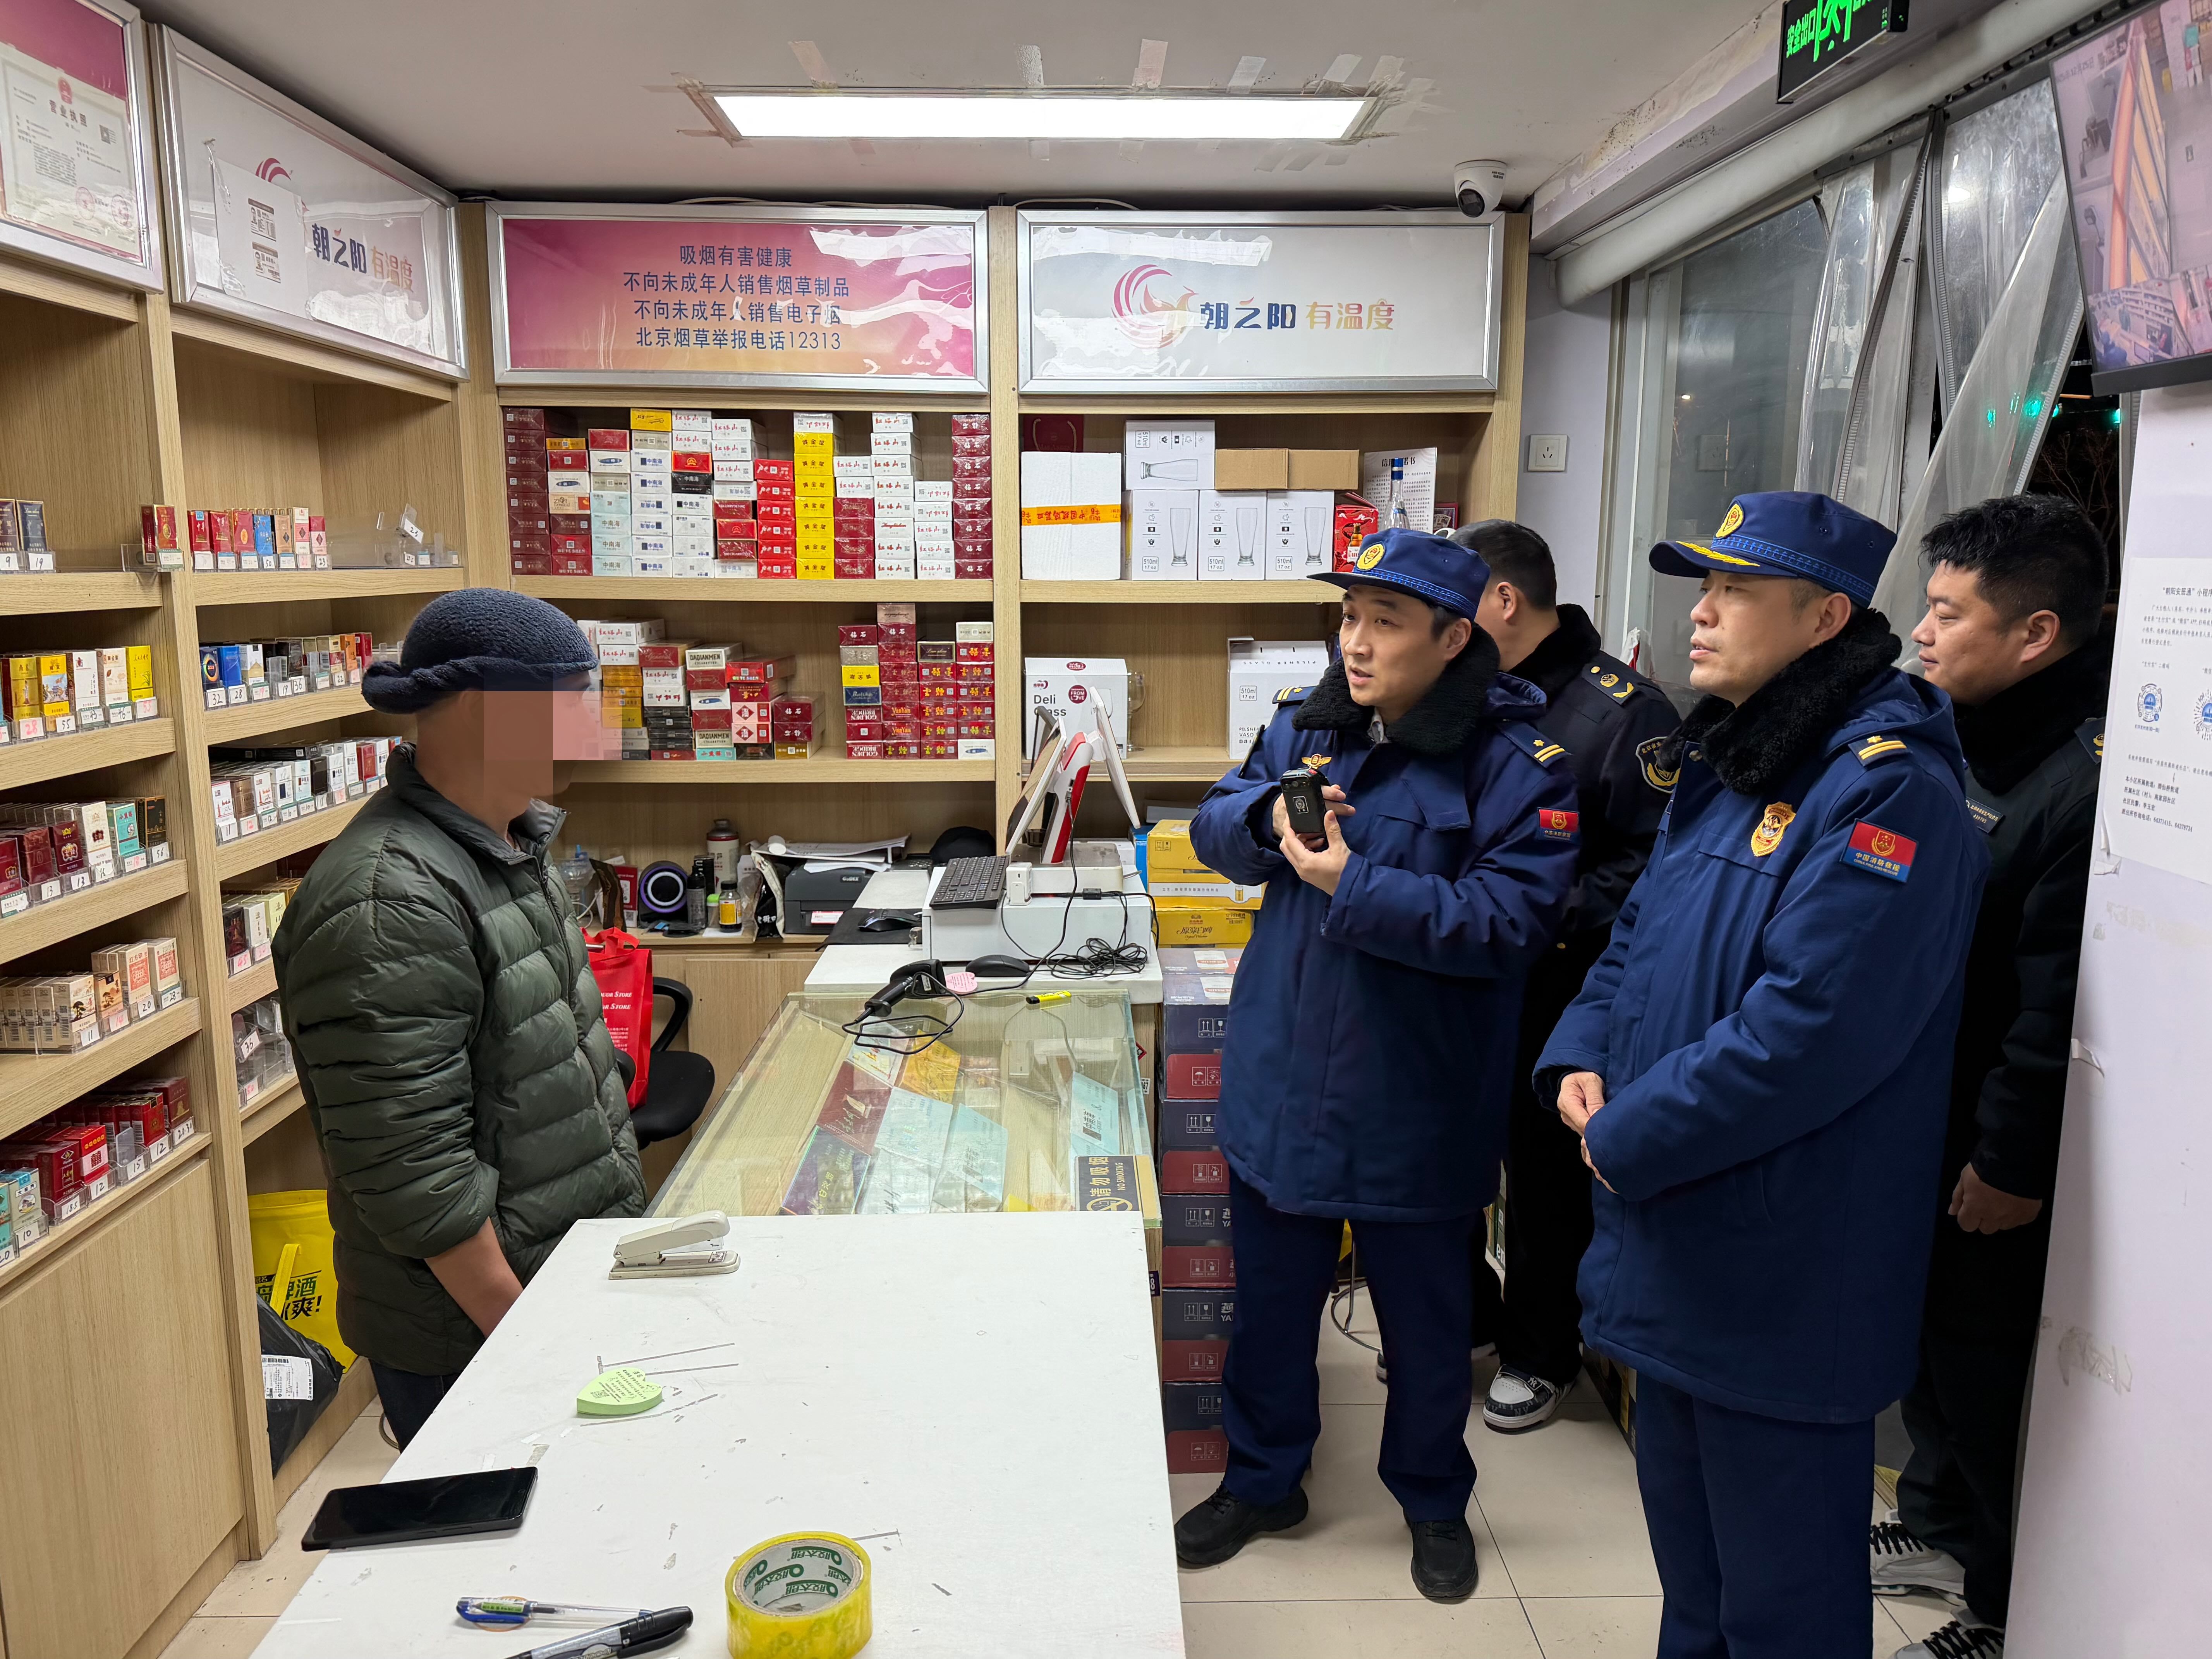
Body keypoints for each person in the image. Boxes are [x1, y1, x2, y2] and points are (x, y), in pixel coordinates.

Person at [1535, 491, 1987, 1659]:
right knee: (1698, 1584)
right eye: (1704, 585)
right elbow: (1637, 936)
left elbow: (1810, 1032)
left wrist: (1628, 1133)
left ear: (1824, 615)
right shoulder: (1739, 753)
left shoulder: (1887, 789)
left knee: (1783, 1605)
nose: (1703, 613)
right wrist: (1582, 1054)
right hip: (1686, 1239)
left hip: (1787, 1268)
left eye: (1736, 589)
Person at [1172, 528, 1579, 1602]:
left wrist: (1354, 880)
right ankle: (1265, 1479)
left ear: (1456, 636)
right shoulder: (1309, 727)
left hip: (1416, 1106)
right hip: (1281, 1085)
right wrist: (1265, 816)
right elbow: (1213, 824)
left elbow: (1510, 922)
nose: (1355, 642)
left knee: (1431, 1330)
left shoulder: (1516, 767)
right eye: (1348, 616)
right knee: (1268, 1314)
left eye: (1384, 623)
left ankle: (1435, 1498)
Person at [271, 589, 645, 1448]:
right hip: (475, 1335)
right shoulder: (388, 901)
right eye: (569, 704)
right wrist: (527, 1341)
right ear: (486, 714)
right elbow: (416, 1176)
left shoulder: (507, 844)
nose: (588, 730)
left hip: (554, 1282)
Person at [1870, 495, 2111, 1659]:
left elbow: (2058, 1004)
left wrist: (2007, 1161)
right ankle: (1937, 1522)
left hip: (1990, 1147)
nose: (1922, 633)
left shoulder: (2076, 783)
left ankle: (2008, 1607)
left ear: (2037, 635)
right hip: (1920, 1115)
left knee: (1987, 1377)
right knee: (1929, 1356)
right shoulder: (1951, 731)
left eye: (1949, 613)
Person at [1452, 518, 1679, 1431]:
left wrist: (1534, 904)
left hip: (1559, 980)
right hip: (1458, 965)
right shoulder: (1466, 689)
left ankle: (1542, 1349)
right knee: (1450, 1149)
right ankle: (1466, 1314)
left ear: (1503, 600)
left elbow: (1650, 865)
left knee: (1545, 1173)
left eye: (1451, 601)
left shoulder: (1625, 712)